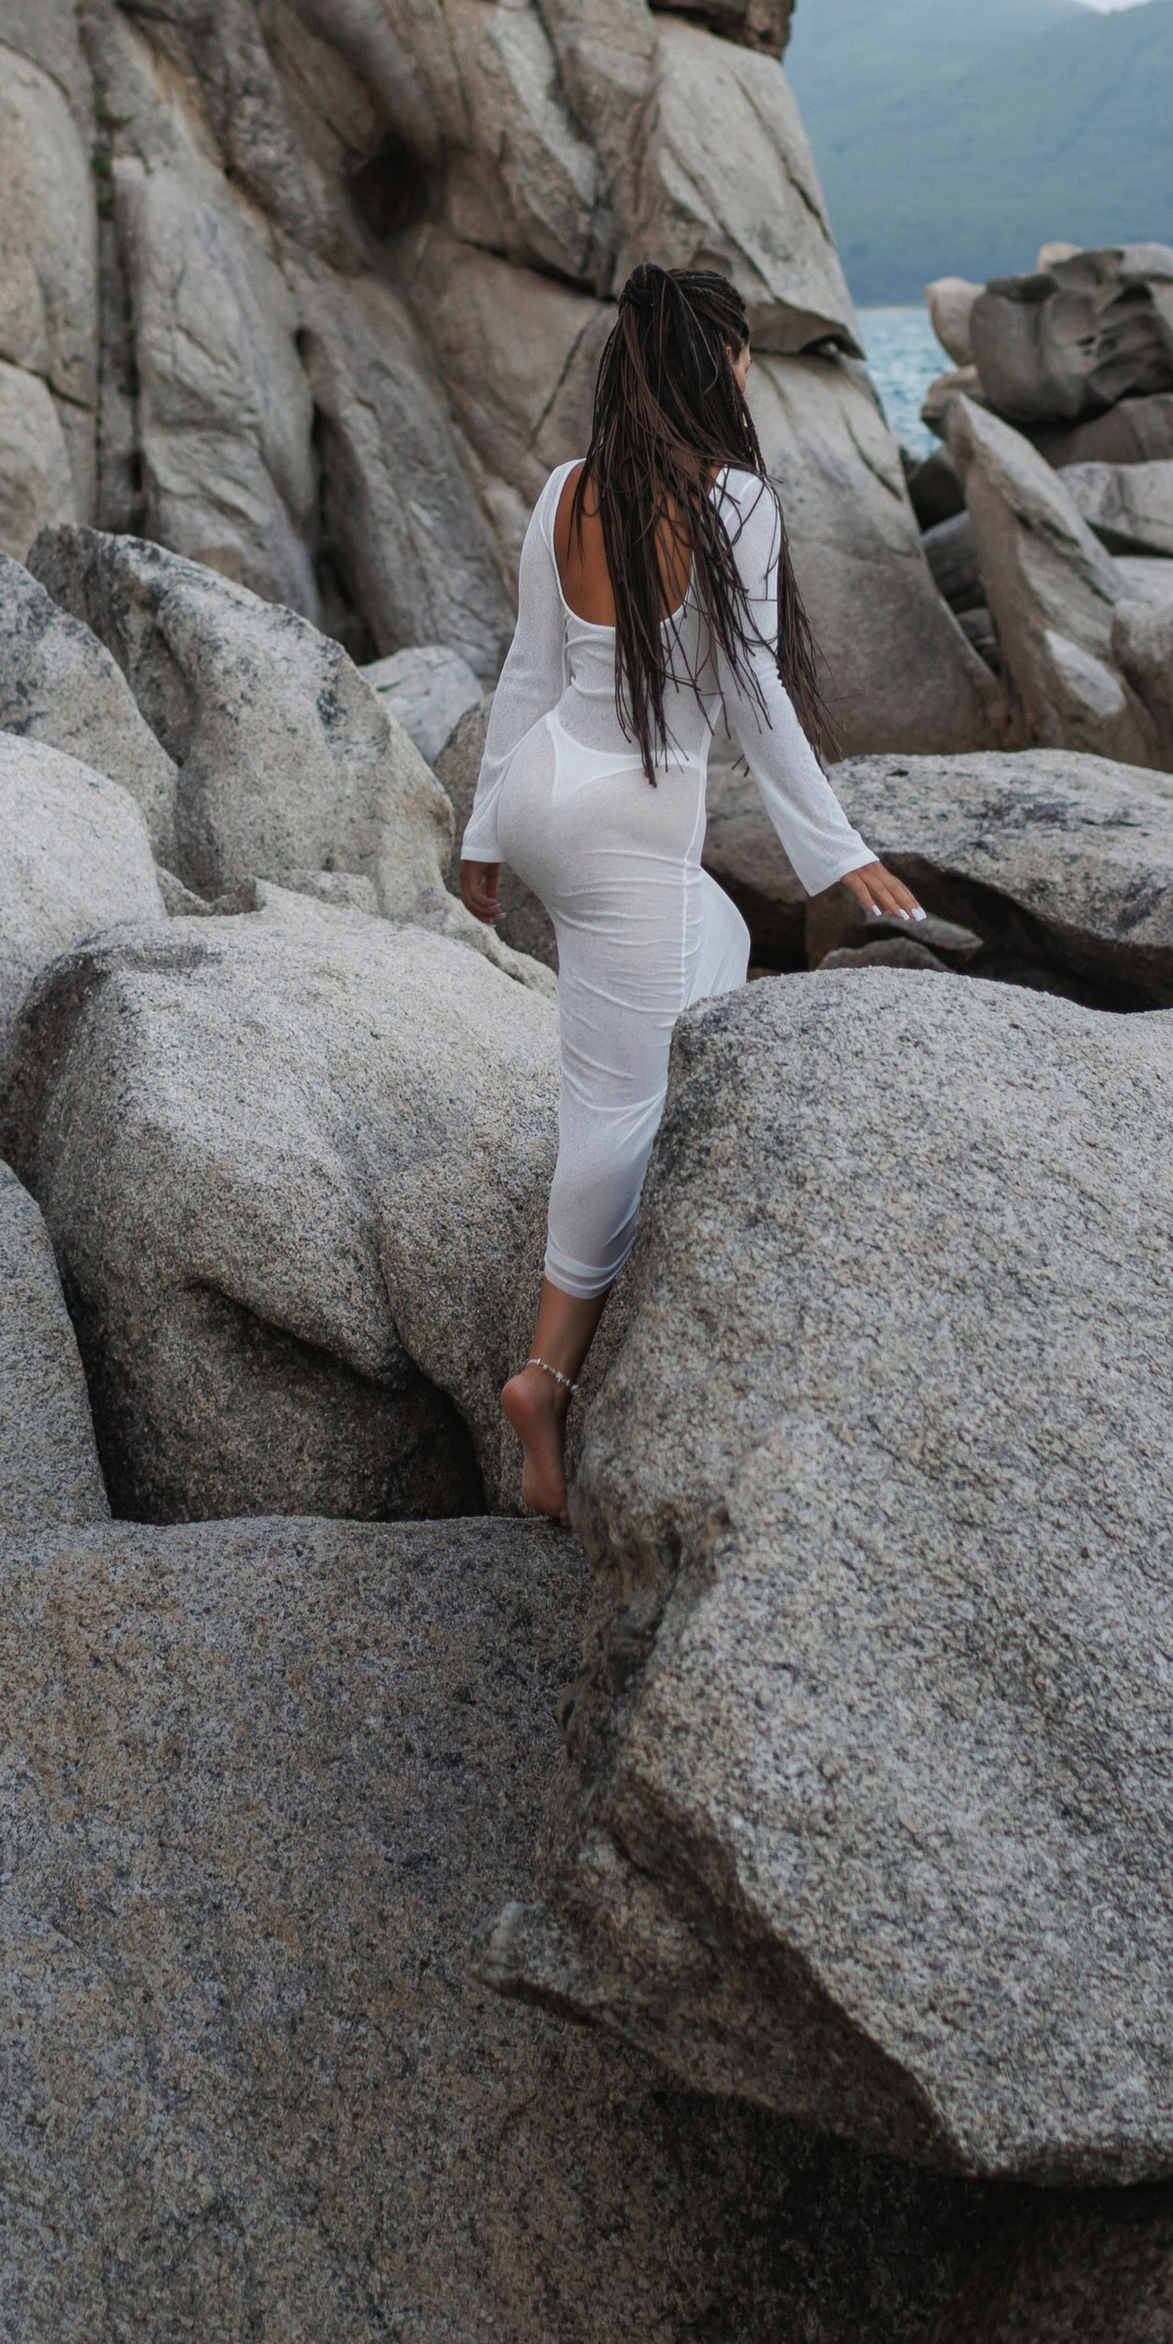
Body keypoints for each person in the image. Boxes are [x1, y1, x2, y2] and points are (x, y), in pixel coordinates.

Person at [459, 264, 925, 1518]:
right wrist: (839, 856)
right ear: (710, 362)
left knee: (712, 938)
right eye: (737, 352)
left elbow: (524, 671)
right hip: (623, 822)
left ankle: (655, 1088)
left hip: (552, 786)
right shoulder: (731, 501)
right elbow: (758, 696)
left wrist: (483, 830)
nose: (747, 371)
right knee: (613, 1101)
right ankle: (546, 1378)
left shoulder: (567, 490)